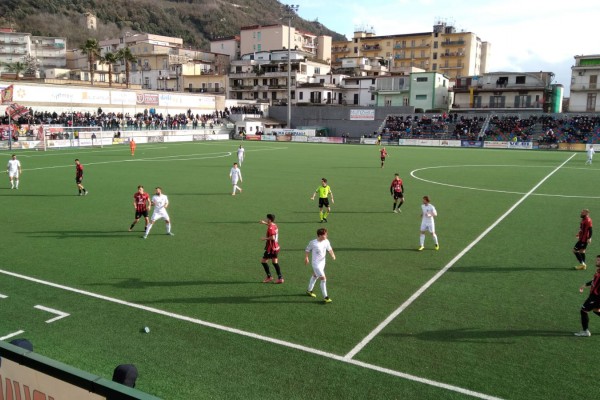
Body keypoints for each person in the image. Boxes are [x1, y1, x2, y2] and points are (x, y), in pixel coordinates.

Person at [305, 227, 336, 303]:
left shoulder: (326, 241)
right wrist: (306, 258)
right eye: (325, 235)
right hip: (316, 264)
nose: (326, 236)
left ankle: (309, 290)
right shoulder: (313, 243)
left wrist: (332, 255)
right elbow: (307, 249)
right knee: (323, 279)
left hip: (322, 263)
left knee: (315, 275)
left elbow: (329, 249)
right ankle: (326, 297)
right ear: (320, 235)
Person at [574, 255, 600, 337]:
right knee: (596, 310)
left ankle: (585, 331)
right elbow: (594, 281)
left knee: (583, 310)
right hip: (595, 296)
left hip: (596, 297)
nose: (596, 261)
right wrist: (585, 285)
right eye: (597, 260)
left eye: (598, 260)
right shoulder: (598, 271)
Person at [259, 214, 283, 283]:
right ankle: (280, 278)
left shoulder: (270, 228)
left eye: (267, 219)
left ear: (270, 220)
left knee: (263, 261)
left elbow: (273, 237)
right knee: (275, 262)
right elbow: (270, 226)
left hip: (271, 248)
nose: (266, 219)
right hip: (276, 247)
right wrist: (264, 223)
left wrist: (265, 238)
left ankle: (269, 277)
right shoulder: (274, 225)